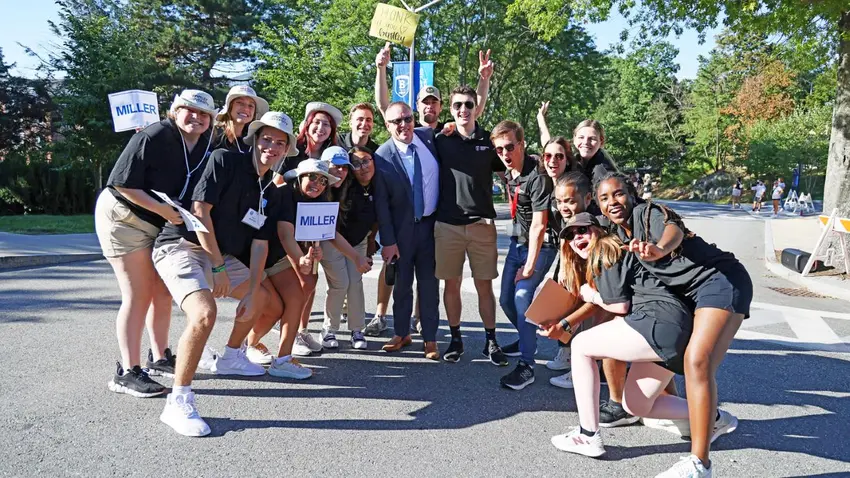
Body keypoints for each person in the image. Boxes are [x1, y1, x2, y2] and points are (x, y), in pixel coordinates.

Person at [595, 172, 750, 477]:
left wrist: (660, 249)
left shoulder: (646, 213)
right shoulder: (617, 234)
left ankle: (699, 463)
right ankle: (711, 420)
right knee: (686, 364)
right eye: (604, 198)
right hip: (691, 297)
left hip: (719, 280)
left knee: (697, 362)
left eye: (619, 194)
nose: (613, 201)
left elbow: (672, 230)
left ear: (632, 194)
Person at [152, 111, 292, 436]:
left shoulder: (270, 188)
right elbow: (200, 211)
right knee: (204, 315)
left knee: (265, 300)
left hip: (222, 255)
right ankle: (178, 401)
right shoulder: (224, 160)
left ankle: (231, 356)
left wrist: (254, 288)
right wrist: (217, 267)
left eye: (279, 142)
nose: (271, 146)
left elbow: (259, 245)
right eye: (266, 138)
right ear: (255, 139)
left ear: (286, 150)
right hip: (183, 246)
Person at [539, 214, 697, 470]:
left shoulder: (606, 250)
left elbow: (619, 306)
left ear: (598, 230)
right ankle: (713, 416)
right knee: (636, 404)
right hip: (675, 328)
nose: (576, 237)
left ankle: (587, 435)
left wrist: (590, 294)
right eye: (569, 235)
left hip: (659, 322)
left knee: (581, 346)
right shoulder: (609, 252)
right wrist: (567, 322)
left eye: (582, 230)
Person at [96, 89, 217, 398]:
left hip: (158, 223)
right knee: (138, 293)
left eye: (204, 114)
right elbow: (122, 184)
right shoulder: (155, 134)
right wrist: (166, 211)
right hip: (124, 217)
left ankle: (160, 357)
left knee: (162, 292)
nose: (196, 117)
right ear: (174, 111)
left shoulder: (203, 145)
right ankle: (127, 371)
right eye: (189, 110)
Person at [433, 85, 508, 365]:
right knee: (451, 286)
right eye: (457, 106)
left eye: (468, 104)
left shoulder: (489, 141)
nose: (463, 110)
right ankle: (456, 340)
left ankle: (491, 341)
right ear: (450, 110)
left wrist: (485, 79)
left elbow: (511, 168)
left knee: (484, 287)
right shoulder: (441, 138)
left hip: (481, 226)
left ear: (476, 107)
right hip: (447, 226)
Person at [245, 158, 338, 376]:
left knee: (297, 298)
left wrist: (314, 252)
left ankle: (283, 359)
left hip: (277, 259)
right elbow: (285, 235)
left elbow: (322, 233)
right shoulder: (284, 194)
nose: (318, 183)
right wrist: (300, 259)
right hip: (253, 255)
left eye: (323, 180)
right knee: (271, 306)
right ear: (299, 178)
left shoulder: (318, 200)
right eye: (312, 177)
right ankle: (242, 347)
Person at [492, 120, 558, 390]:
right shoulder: (508, 170)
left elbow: (540, 225)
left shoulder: (537, 177)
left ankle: (527, 365)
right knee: (506, 299)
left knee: (522, 297)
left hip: (540, 245)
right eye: (499, 150)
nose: (505, 154)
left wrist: (529, 266)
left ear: (521, 144)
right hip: (516, 241)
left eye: (510, 147)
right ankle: (525, 337)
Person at [373, 101, 441, 360]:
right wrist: (387, 242)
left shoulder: (427, 137)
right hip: (401, 233)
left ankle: (431, 339)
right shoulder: (381, 156)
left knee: (429, 285)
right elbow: (381, 204)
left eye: (407, 118)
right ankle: (401, 333)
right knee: (402, 285)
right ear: (387, 125)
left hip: (430, 227)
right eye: (397, 121)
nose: (404, 125)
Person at [317, 146, 375, 350]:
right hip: (329, 240)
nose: (340, 171)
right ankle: (329, 329)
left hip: (356, 242)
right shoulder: (319, 187)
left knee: (355, 283)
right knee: (340, 283)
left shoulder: (354, 185)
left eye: (344, 167)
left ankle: (357, 329)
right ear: (325, 167)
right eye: (335, 167)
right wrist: (356, 257)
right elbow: (330, 231)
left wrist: (369, 241)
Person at [374, 42, 493, 130]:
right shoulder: (409, 129)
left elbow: (475, 110)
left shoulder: (448, 131)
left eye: (434, 102)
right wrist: (381, 68)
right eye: (425, 102)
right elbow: (384, 106)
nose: (430, 106)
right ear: (417, 105)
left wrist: (484, 79)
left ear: (441, 106)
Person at [274, 101, 343, 181]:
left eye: (326, 124)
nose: (320, 128)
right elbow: (277, 183)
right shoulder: (292, 149)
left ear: (332, 130)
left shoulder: (332, 155)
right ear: (307, 126)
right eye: (316, 122)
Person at [212, 85, 269, 152]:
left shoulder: (252, 142)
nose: (246, 109)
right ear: (230, 107)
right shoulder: (212, 134)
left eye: (251, 105)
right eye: (240, 103)